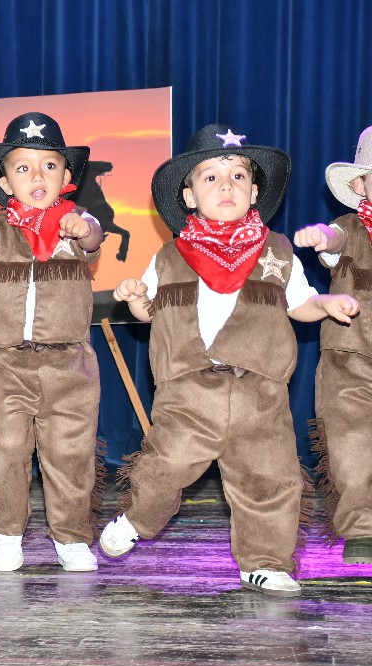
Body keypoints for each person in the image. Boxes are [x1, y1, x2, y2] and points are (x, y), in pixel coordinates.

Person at [103, 124, 360, 596]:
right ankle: (138, 518)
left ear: (255, 191)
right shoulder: (169, 255)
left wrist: (326, 304)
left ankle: (264, 561)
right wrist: (135, 297)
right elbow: (148, 313)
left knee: (271, 478)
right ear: (189, 196)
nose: (227, 186)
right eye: (211, 177)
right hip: (189, 388)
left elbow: (299, 304)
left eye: (239, 176)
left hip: (260, 391)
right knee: (165, 465)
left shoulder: (277, 251)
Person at [0, 111, 105, 573]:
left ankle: (71, 537)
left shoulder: (77, 219)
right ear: (5, 182)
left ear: (66, 178)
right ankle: (7, 531)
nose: (37, 177)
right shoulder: (0, 226)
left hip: (69, 363)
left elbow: (94, 238)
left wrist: (83, 231)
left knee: (69, 452)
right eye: (23, 167)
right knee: (8, 448)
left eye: (49, 166)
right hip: (8, 363)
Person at [293, 124, 372, 564]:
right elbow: (334, 239)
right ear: (360, 186)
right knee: (350, 445)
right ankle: (362, 528)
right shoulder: (349, 228)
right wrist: (322, 237)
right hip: (350, 358)